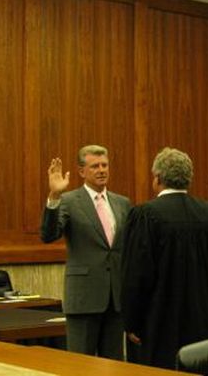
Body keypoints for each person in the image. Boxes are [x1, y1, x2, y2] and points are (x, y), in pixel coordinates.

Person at [121, 148, 208, 369]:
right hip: (201, 317)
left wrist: (132, 322)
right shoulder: (207, 213)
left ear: (157, 178)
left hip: (158, 320)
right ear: (188, 178)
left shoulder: (145, 215)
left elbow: (136, 274)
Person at [40, 145, 131, 360]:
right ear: (81, 171)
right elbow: (49, 235)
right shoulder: (69, 201)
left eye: (104, 165)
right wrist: (54, 195)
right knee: (81, 365)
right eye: (95, 166)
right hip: (84, 298)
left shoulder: (122, 203)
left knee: (114, 365)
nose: (101, 170)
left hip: (116, 298)